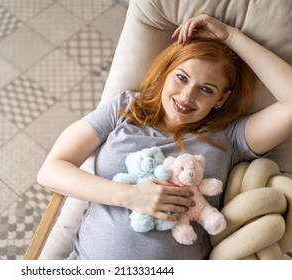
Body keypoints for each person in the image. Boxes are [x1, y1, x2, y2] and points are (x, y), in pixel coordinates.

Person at [36, 14, 292, 259]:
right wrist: (131, 195)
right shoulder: (125, 109)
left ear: (220, 99)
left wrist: (231, 37)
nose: (187, 97)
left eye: (206, 89)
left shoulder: (229, 137)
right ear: (166, 72)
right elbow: (50, 171)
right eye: (181, 78)